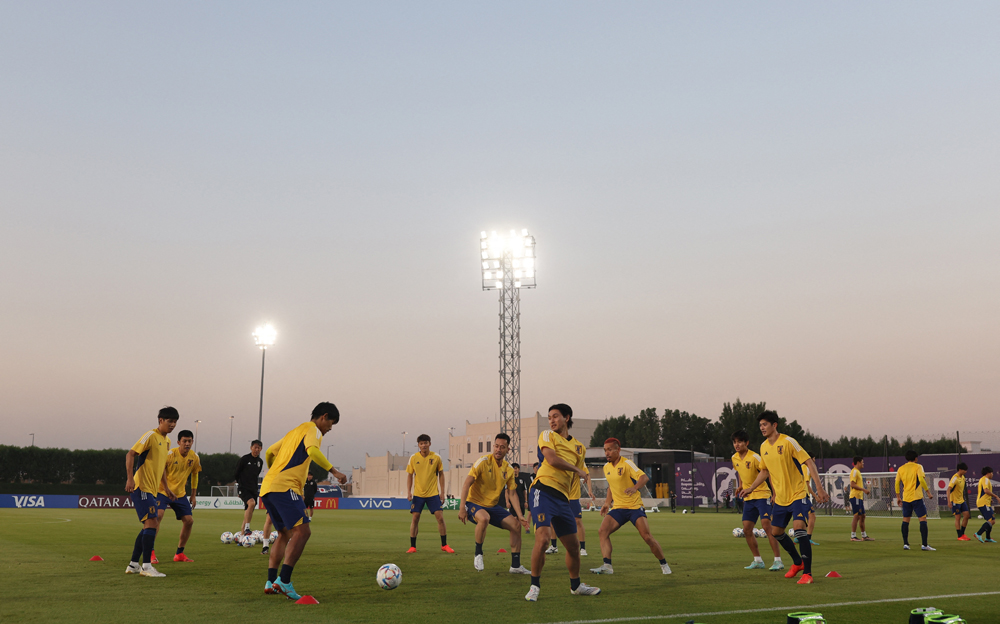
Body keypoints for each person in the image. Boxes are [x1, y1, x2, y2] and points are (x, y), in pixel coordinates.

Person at [261, 402, 347, 600]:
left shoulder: (294, 431)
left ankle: (270, 582)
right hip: (285, 487)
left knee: (284, 533)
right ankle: (284, 581)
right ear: (323, 417)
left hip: (268, 487)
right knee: (303, 531)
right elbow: (313, 451)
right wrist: (334, 471)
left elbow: (269, 452)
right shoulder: (313, 429)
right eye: (331, 423)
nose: (330, 429)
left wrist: (273, 474)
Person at [738, 410, 829, 584]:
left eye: (765, 424)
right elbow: (764, 471)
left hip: (798, 493)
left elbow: (808, 461)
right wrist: (750, 488)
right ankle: (797, 563)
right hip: (780, 498)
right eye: (760, 425)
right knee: (776, 532)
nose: (762, 428)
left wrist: (819, 488)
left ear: (774, 425)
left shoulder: (788, 442)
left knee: (799, 530)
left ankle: (807, 574)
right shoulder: (764, 447)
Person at [526, 404, 600, 601]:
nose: (551, 420)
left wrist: (579, 488)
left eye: (555, 416)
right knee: (542, 540)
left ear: (567, 418)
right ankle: (534, 586)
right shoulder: (547, 436)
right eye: (549, 417)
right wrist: (578, 471)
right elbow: (551, 460)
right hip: (542, 490)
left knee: (574, 547)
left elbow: (579, 476)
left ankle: (576, 586)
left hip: (562, 498)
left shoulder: (579, 448)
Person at [589, 437, 670, 577]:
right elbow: (611, 487)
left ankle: (664, 563)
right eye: (605, 450)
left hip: (634, 507)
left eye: (609, 450)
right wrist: (607, 503)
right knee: (602, 531)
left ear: (618, 450)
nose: (606, 453)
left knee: (647, 537)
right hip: (618, 508)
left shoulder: (627, 463)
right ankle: (607, 566)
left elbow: (644, 477)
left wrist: (635, 487)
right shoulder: (606, 467)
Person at [458, 433, 529, 574]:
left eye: (502, 447)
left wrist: (520, 515)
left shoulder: (508, 469)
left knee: (516, 526)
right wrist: (461, 508)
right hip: (474, 503)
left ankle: (515, 566)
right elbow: (467, 483)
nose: (498, 449)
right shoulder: (483, 461)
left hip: (492, 506)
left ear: (508, 449)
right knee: (484, 518)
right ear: (493, 446)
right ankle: (478, 554)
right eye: (496, 446)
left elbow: (512, 493)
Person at [124, 406, 178, 578]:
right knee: (152, 522)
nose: (173, 425)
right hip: (141, 487)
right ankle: (146, 566)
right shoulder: (150, 436)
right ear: (160, 420)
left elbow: (161, 467)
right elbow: (130, 454)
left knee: (150, 524)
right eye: (170, 421)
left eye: (175, 422)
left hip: (152, 490)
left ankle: (133, 564)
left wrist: (167, 487)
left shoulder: (167, 442)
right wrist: (130, 478)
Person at [730, 430, 782, 571]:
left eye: (740, 441)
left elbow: (768, 473)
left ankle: (778, 560)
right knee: (747, 529)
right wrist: (740, 485)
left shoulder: (755, 457)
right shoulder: (734, 458)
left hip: (762, 495)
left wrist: (774, 492)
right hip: (749, 497)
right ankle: (758, 560)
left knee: (767, 527)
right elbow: (740, 472)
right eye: (735, 442)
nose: (737, 444)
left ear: (746, 443)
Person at [546, 419, 596, 557]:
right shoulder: (558, 460)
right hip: (558, 493)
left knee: (577, 521)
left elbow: (586, 474)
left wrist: (590, 490)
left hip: (572, 495)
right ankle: (554, 546)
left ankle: (583, 548)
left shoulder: (576, 459)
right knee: (553, 520)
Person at [153, 429, 201, 564]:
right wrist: (167, 489)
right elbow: (160, 471)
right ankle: (150, 552)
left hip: (179, 494)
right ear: (178, 442)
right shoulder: (170, 454)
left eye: (189, 441)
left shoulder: (194, 457)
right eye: (184, 441)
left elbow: (195, 474)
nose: (187, 444)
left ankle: (179, 553)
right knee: (158, 517)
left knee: (189, 521)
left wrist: (193, 495)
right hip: (162, 491)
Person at [406, 434, 454, 553]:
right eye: (421, 443)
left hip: (433, 494)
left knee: (440, 518)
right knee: (415, 518)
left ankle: (444, 545)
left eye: (426, 443)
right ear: (418, 445)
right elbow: (410, 475)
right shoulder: (413, 458)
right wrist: (408, 491)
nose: (424, 445)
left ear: (430, 444)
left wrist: (442, 492)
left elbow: (441, 474)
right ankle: (413, 546)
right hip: (418, 494)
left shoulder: (436, 457)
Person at [894, 450, 934, 551]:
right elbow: (921, 480)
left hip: (906, 498)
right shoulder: (918, 466)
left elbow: (897, 483)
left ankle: (906, 544)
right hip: (917, 497)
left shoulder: (901, 468)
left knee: (905, 520)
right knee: (923, 520)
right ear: (915, 458)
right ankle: (924, 545)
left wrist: (898, 497)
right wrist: (928, 492)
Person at [235, 440, 265, 535]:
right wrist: (239, 487)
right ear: (251, 447)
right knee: (251, 503)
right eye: (255, 447)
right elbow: (236, 473)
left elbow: (256, 474)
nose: (256, 449)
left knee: (249, 509)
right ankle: (247, 528)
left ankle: (242, 535)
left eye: (258, 448)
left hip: (253, 489)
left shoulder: (260, 462)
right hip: (244, 488)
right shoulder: (244, 459)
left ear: (261, 449)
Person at [849, 456, 873, 541]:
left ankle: (864, 535)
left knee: (862, 516)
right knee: (856, 516)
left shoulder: (857, 472)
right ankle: (853, 536)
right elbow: (852, 484)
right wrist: (864, 490)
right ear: (858, 462)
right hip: (855, 497)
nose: (863, 464)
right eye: (862, 462)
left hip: (859, 497)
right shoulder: (854, 472)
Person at [974, 466, 999, 543]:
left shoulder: (984, 479)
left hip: (984, 502)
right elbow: (985, 490)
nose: (992, 474)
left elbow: (984, 492)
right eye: (992, 473)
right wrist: (996, 496)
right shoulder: (985, 479)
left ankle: (988, 538)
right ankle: (978, 533)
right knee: (992, 520)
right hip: (983, 503)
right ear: (988, 473)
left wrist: (990, 499)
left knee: (991, 520)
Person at [507, 463, 533, 535]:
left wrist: (526, 501)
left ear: (519, 469)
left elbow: (524, 491)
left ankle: (522, 530)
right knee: (514, 517)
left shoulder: (522, 480)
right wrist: (507, 501)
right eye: (513, 468)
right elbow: (507, 491)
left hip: (521, 501)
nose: (515, 470)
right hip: (513, 502)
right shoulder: (510, 480)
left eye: (516, 468)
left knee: (520, 517)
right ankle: (514, 531)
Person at [948, 462, 971, 541]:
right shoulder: (955, 478)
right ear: (960, 469)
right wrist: (949, 501)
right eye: (964, 470)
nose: (966, 472)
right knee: (958, 517)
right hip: (955, 501)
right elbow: (948, 489)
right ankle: (959, 536)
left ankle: (962, 533)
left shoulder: (963, 477)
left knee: (967, 515)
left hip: (961, 500)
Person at [801, 464, 819, 546]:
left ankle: (799, 537)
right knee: (812, 516)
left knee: (802, 516)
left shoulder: (801, 467)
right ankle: (807, 538)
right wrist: (815, 496)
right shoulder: (806, 468)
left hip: (799, 495)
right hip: (803, 495)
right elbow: (807, 485)